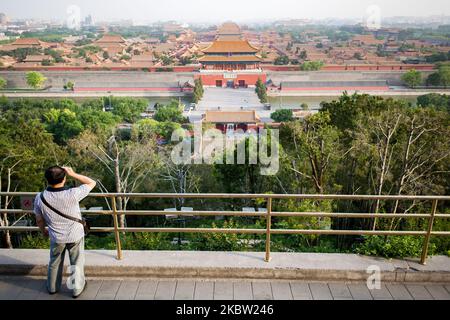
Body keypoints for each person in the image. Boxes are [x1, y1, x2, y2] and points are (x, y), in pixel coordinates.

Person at [33, 166, 96, 298]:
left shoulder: (40, 197)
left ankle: (52, 287)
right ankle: (77, 289)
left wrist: (43, 231)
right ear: (64, 178)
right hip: (75, 235)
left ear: (47, 179)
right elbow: (92, 182)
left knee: (54, 262)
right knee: (76, 261)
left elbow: (39, 219)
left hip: (56, 236)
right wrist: (73, 174)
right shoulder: (72, 193)